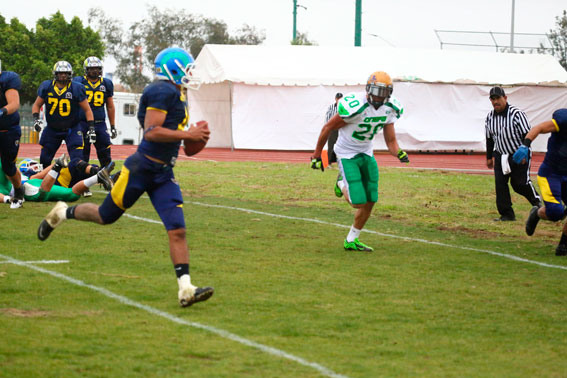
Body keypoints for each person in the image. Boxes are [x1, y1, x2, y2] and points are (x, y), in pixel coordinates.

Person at [37, 47, 214, 307]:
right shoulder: (160, 91)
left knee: (177, 230)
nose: (190, 75)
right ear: (172, 68)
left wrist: (197, 138)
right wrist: (189, 135)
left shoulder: (178, 94)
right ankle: (63, 213)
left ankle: (186, 288)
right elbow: (152, 132)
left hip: (164, 173)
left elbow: (185, 146)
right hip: (141, 169)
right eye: (186, 69)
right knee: (104, 216)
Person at [310, 71, 409, 252]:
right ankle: (341, 183)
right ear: (368, 89)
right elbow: (328, 128)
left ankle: (352, 240)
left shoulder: (390, 109)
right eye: (377, 91)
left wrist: (399, 153)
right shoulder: (354, 106)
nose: (380, 97)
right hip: (346, 153)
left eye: (384, 92)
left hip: (366, 152)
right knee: (358, 201)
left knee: (371, 198)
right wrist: (317, 155)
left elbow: (391, 141)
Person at [513, 109, 567, 256]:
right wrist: (525, 145)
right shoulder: (564, 120)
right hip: (551, 174)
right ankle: (537, 213)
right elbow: (539, 128)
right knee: (556, 213)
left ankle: (563, 244)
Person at [485, 86, 541, 221]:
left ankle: (537, 203)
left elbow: (527, 134)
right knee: (500, 185)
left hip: (517, 153)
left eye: (497, 98)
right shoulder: (490, 117)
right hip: (500, 154)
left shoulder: (516, 114)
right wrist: (489, 157)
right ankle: (507, 214)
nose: (495, 102)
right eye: (492, 99)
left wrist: (524, 152)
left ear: (505, 98)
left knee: (519, 184)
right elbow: (489, 138)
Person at [31, 61, 96, 173]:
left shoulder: (76, 88)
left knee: (77, 160)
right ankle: (43, 183)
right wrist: (36, 119)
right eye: (60, 73)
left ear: (70, 74)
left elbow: (87, 109)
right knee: (44, 159)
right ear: (55, 74)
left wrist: (91, 128)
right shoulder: (47, 86)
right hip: (52, 129)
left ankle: (78, 185)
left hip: (72, 128)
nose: (63, 76)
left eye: (65, 73)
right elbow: (36, 104)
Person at [0, 155, 113, 203]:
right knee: (72, 195)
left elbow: (11, 170)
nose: (35, 166)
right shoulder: (23, 173)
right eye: (32, 165)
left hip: (28, 185)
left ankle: (57, 167)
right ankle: (98, 177)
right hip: (37, 183)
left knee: (42, 193)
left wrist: (7, 199)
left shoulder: (24, 176)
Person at [73, 56, 116, 168]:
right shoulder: (79, 82)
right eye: (91, 68)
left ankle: (106, 177)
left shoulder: (106, 83)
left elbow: (110, 106)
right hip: (82, 123)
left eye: (97, 68)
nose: (94, 71)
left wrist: (112, 126)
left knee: (105, 152)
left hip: (100, 123)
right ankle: (83, 178)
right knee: (83, 153)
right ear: (86, 70)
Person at [0, 59, 25, 208]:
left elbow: (14, 104)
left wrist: (2, 111)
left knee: (8, 167)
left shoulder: (8, 79)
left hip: (8, 130)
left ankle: (18, 191)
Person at [325, 92, 343, 168]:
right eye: (338, 98)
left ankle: (341, 162)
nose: (339, 100)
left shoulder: (344, 107)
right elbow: (327, 117)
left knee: (342, 146)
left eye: (340, 98)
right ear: (335, 99)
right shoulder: (331, 107)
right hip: (333, 129)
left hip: (341, 129)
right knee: (331, 145)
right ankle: (329, 162)